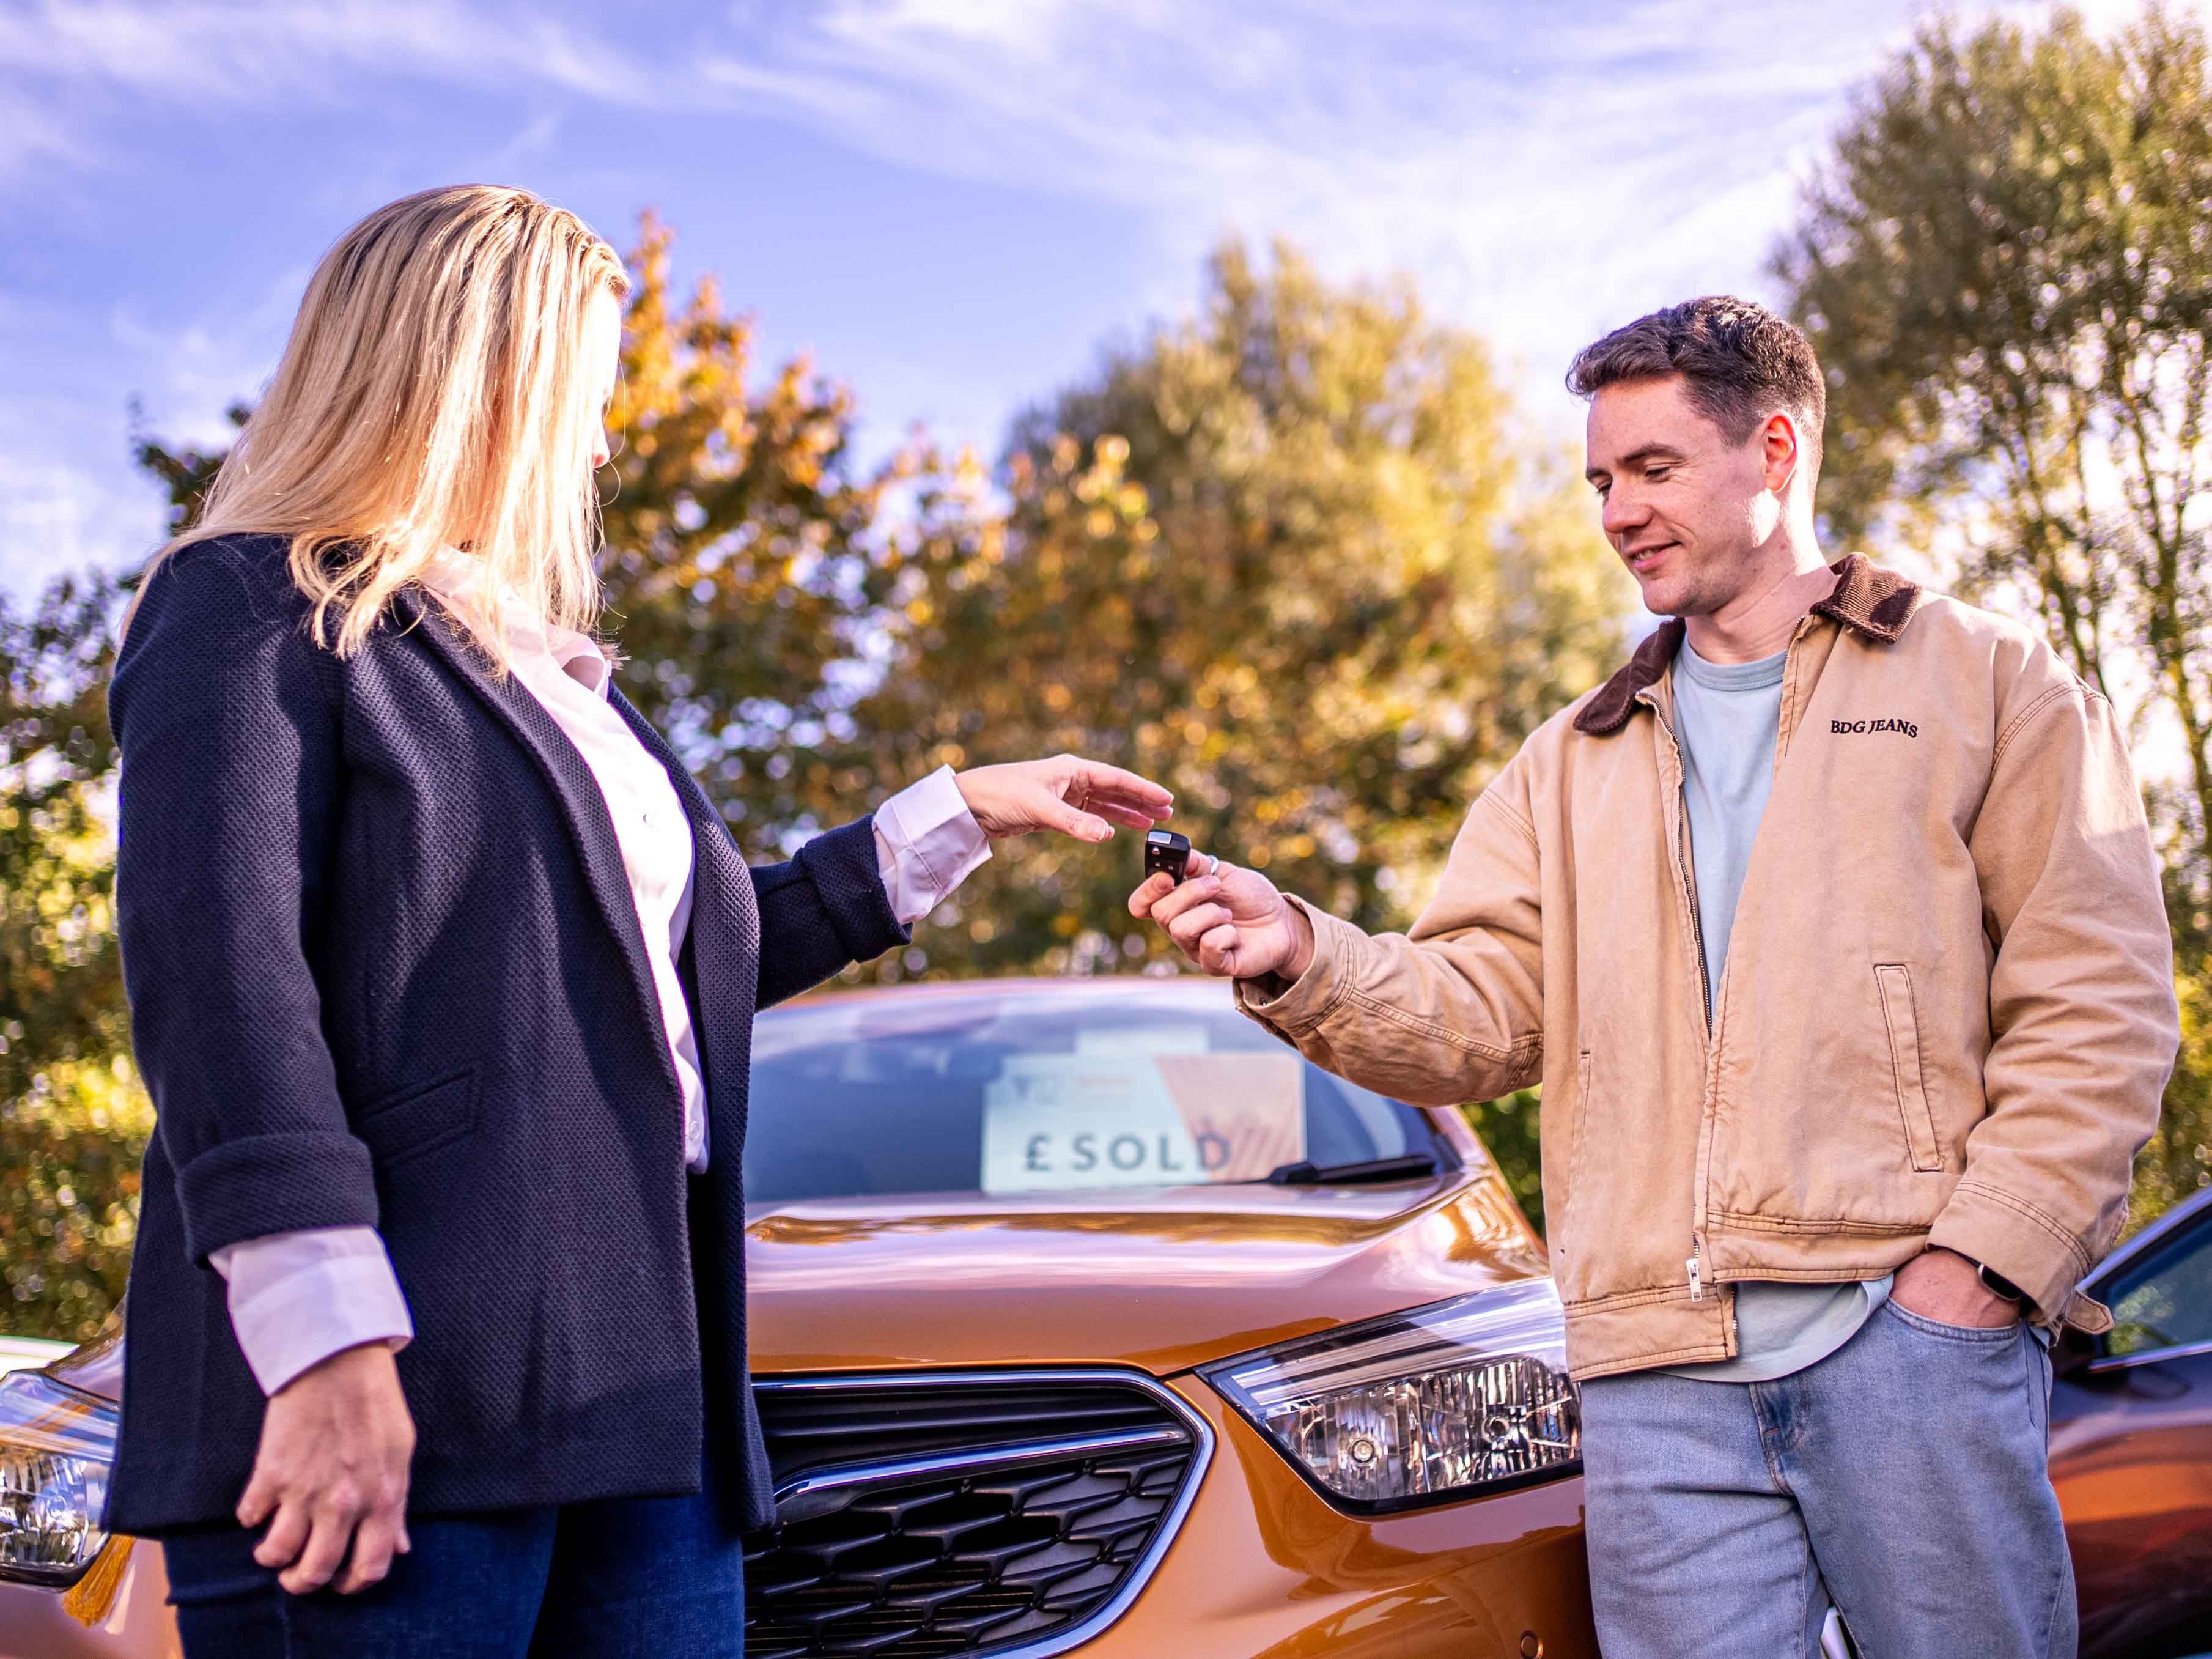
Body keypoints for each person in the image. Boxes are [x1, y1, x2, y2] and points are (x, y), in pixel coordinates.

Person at [107, 183, 1174, 1658]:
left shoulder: (558, 678)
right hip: (397, 1399)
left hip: (640, 1413)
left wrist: (954, 819)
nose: (603, 444)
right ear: (476, 383)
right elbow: (223, 988)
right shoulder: (246, 607)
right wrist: (324, 1341)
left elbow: (676, 979)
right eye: (588, 399)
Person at [1131, 296, 2178, 1658]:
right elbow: (1475, 1015)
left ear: (1778, 450)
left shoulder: (1992, 682)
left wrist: (1981, 1271)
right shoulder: (1570, 760)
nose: (1618, 511)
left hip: (1909, 1343)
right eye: (1601, 481)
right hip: (1653, 1379)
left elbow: (2098, 1011)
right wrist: (1300, 951)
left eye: (1653, 469)